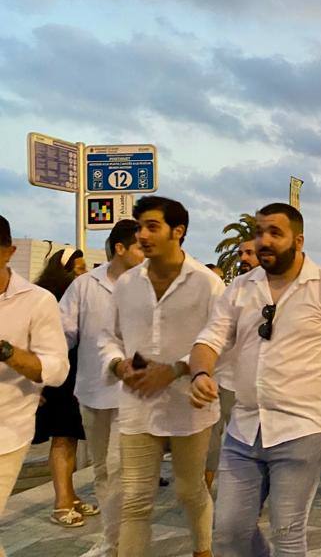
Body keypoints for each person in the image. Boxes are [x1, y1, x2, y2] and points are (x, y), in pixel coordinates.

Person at [188, 203, 321, 556]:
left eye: (275, 233)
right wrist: (199, 372)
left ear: (298, 240)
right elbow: (210, 339)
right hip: (244, 428)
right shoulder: (240, 288)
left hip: (302, 427)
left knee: (287, 531)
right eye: (259, 232)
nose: (263, 241)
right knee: (229, 532)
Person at [98, 196, 222, 556]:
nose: (143, 235)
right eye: (140, 227)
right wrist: (118, 365)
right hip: (136, 405)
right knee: (135, 498)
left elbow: (220, 339)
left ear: (177, 231)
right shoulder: (126, 284)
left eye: (153, 226)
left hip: (189, 404)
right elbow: (108, 336)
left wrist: (176, 370)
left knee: (189, 489)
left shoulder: (206, 283)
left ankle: (203, 550)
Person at [60, 220, 143, 556]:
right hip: (93, 391)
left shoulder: (150, 285)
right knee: (103, 472)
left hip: (135, 396)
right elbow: (63, 332)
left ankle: (124, 544)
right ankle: (113, 541)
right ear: (120, 248)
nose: (146, 250)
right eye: (139, 245)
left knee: (123, 471)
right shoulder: (84, 285)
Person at [0, 214, 70, 555]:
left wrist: (7, 352)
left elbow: (56, 369)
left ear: (8, 252)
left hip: (6, 431)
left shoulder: (37, 301)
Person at [32, 248, 93, 529]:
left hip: (74, 378)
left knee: (69, 439)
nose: (83, 274)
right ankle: (61, 504)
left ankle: (70, 494)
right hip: (56, 382)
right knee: (62, 439)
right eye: (78, 269)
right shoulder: (46, 300)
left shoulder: (74, 300)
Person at [204, 238, 258, 491]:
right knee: (211, 437)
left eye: (250, 253)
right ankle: (205, 488)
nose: (244, 258)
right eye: (241, 253)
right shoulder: (232, 290)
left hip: (253, 383)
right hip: (222, 376)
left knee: (249, 440)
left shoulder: (275, 293)